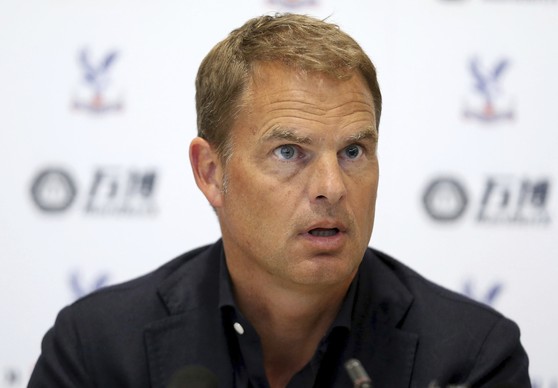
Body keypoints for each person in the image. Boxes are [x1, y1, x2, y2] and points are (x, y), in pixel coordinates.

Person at [28, 13, 531, 388]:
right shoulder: (96, 350)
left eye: (354, 150)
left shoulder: (471, 357)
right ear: (211, 172)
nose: (332, 187)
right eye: (289, 151)